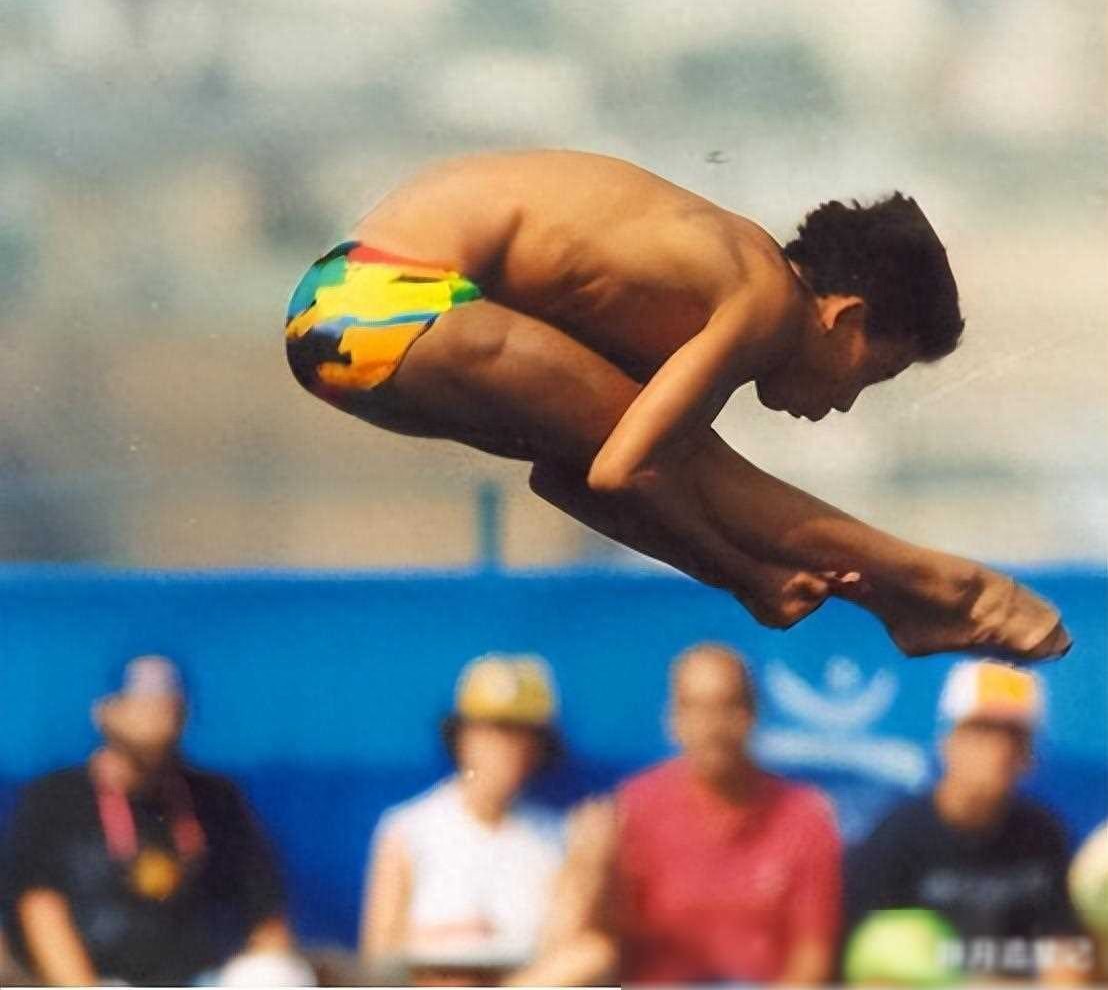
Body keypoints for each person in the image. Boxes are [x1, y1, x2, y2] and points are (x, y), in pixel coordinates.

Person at [285, 149, 1067, 661]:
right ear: (845, 316)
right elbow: (628, 473)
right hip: (385, 301)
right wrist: (744, 574)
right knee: (689, 459)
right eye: (869, 375)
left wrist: (747, 571)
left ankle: (918, 593)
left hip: (334, 315)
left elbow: (572, 479)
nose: (842, 407)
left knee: (675, 455)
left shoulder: (680, 293)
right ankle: (948, 588)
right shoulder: (763, 294)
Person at [518, 643, 843, 986]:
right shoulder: (637, 807)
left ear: (752, 714)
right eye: (694, 708)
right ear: (673, 719)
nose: (711, 727)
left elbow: (812, 958)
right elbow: (598, 941)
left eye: (726, 706)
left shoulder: (803, 816)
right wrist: (591, 871)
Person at [0, 655, 295, 987]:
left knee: (274, 974)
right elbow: (39, 906)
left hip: (202, 978)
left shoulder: (216, 798)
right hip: (102, 980)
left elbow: (265, 908)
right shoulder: (54, 798)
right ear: (105, 711)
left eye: (165, 701)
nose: (154, 712)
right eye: (139, 699)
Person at [845, 659, 1092, 984]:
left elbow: (1067, 956)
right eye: (981, 730)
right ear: (948, 742)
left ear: (1029, 756)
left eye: (1014, 736)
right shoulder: (896, 838)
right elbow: (869, 972)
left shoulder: (1045, 835)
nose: (999, 750)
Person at [359, 654, 567, 986]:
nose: (507, 749)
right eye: (494, 731)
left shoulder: (559, 838)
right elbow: (377, 957)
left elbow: (576, 950)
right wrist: (444, 942)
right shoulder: (408, 829)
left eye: (522, 735)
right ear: (462, 737)